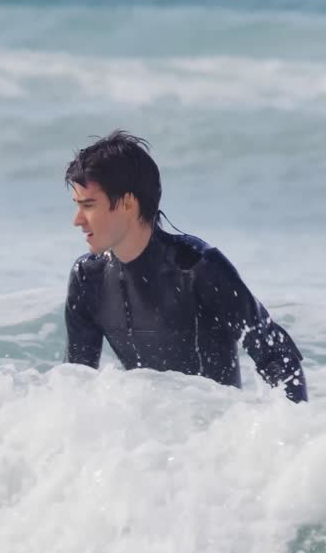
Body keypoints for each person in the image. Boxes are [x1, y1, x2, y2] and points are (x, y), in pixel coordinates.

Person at [63, 130, 307, 402]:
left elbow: (278, 356)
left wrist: (290, 426)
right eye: (77, 206)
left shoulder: (197, 268)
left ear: (128, 203)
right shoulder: (88, 278)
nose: (77, 220)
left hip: (216, 426)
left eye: (88, 205)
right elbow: (75, 383)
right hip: (144, 430)